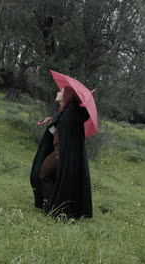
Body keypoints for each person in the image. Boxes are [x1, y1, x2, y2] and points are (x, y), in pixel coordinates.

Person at [30, 86, 93, 218]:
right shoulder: (67, 112)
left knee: (43, 174)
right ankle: (54, 205)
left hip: (62, 153)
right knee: (45, 175)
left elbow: (68, 133)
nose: (57, 92)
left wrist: (60, 154)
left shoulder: (70, 113)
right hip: (60, 151)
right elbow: (62, 127)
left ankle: (55, 207)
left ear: (67, 96)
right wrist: (52, 122)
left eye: (61, 92)